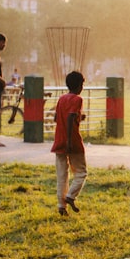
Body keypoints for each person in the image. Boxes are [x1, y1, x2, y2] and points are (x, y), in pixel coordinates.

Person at [52, 71, 87, 217]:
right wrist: (69, 139)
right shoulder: (78, 99)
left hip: (59, 140)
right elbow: (70, 117)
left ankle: (61, 206)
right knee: (81, 172)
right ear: (79, 85)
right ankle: (71, 196)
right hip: (72, 141)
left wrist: (79, 117)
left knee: (62, 174)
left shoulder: (61, 99)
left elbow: (56, 118)